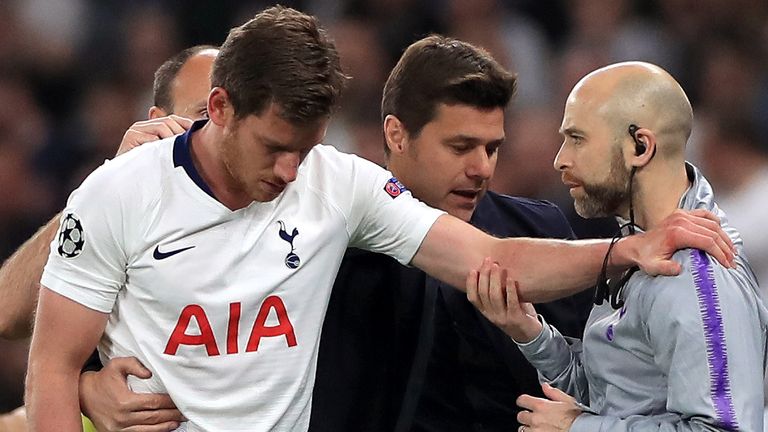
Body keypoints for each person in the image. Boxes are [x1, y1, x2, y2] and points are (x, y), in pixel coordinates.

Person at [24, 6, 734, 431]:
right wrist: (88, 386)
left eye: (305, 149)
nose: (288, 173)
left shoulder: (338, 184)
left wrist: (629, 250)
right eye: (274, 148)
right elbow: (51, 365)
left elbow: (492, 260)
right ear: (219, 109)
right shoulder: (118, 192)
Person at [310, 35, 592, 432]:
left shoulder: (541, 233)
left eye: (492, 149)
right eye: (461, 147)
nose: (482, 169)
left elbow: (595, 383)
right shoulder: (331, 243)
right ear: (397, 135)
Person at [467, 61, 768, 431]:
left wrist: (577, 429)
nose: (560, 159)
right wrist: (532, 333)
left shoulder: (690, 274)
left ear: (640, 146)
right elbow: (618, 398)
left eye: (577, 138)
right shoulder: (637, 246)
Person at [0, 45, 218, 430]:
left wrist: (82, 388)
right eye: (205, 114)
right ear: (158, 122)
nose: (221, 134)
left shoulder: (290, 206)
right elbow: (6, 313)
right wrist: (100, 193)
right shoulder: (121, 207)